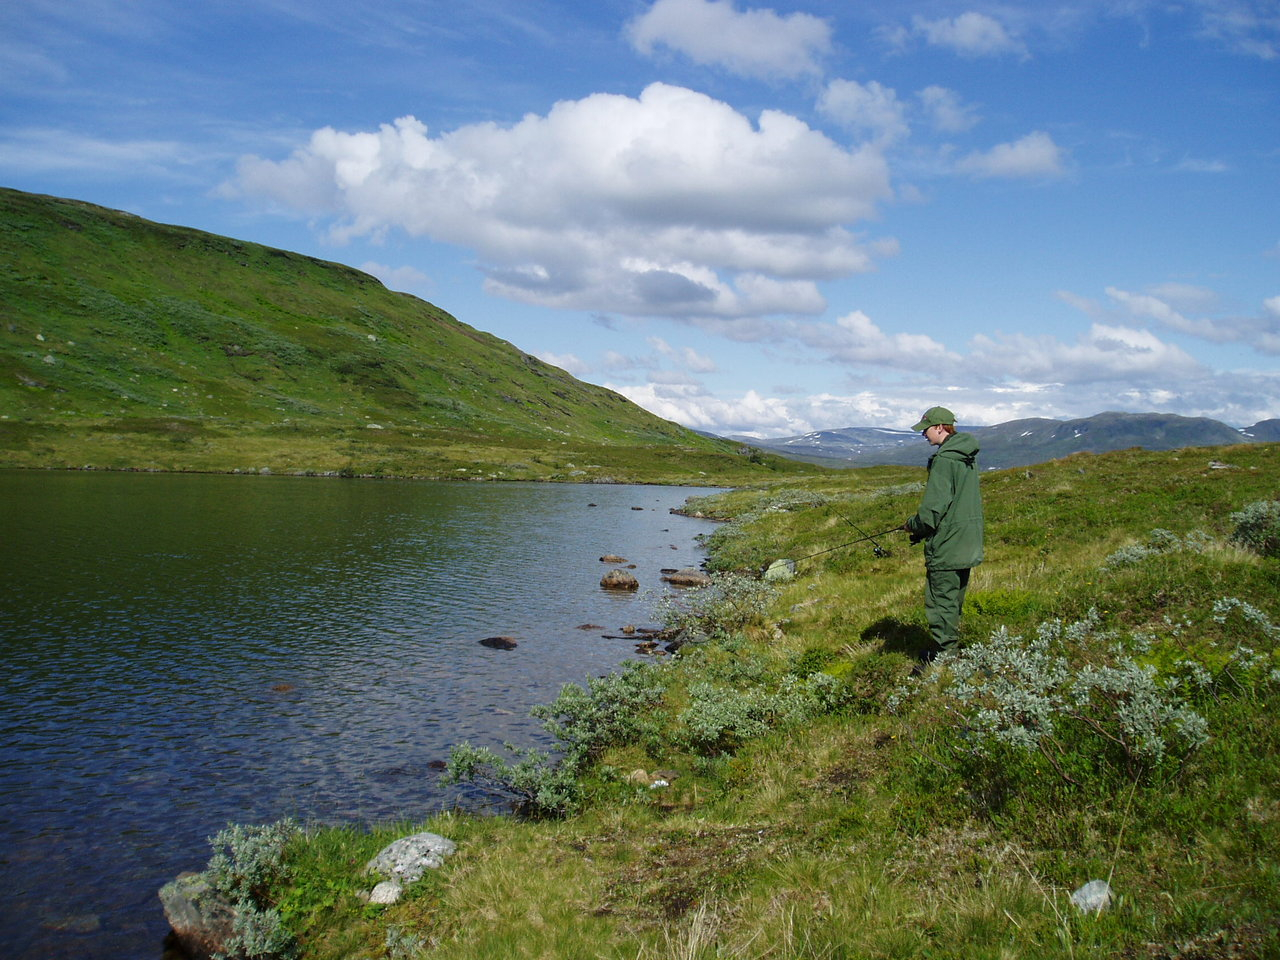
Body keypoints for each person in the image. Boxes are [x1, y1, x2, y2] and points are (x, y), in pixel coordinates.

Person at [903, 406, 984, 655]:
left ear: (940, 427)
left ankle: (945, 658)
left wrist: (913, 525)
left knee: (941, 603)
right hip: (968, 541)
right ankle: (952, 650)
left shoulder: (945, 459)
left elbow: (931, 511)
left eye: (925, 429)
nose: (923, 434)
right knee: (953, 601)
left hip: (948, 544)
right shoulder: (966, 455)